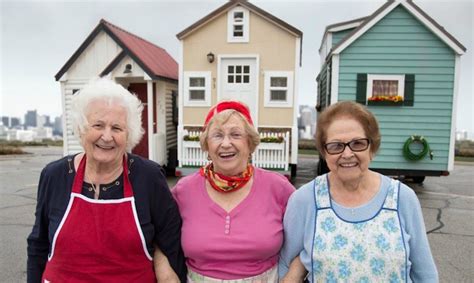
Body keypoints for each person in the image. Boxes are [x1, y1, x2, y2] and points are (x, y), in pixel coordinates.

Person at [26, 77, 186, 282]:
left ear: (129, 135)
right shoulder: (54, 175)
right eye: (98, 125)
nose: (107, 136)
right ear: (82, 129)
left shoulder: (149, 177)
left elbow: (170, 242)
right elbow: (38, 245)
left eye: (117, 128)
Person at [279, 101, 438, 282]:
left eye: (357, 143)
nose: (347, 154)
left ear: (372, 147)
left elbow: (425, 273)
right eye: (336, 145)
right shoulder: (305, 199)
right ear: (324, 151)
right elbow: (286, 263)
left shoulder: (402, 198)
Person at [172, 100, 295, 282]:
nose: (226, 143)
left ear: (250, 143)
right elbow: (159, 237)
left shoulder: (278, 187)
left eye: (236, 134)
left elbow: (307, 236)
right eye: (217, 135)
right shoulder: (183, 191)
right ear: (207, 145)